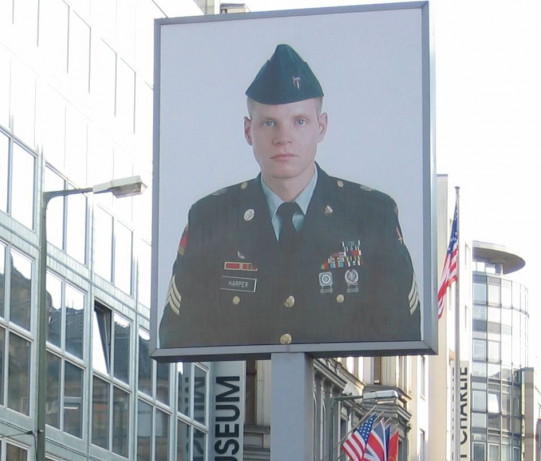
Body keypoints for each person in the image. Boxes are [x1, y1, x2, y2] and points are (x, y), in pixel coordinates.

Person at [157, 43, 420, 352]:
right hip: (247, 394)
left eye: (299, 121)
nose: (283, 137)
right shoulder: (211, 218)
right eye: (269, 123)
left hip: (336, 398)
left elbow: (403, 330)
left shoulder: (371, 215)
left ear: (321, 127)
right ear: (247, 130)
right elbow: (179, 337)